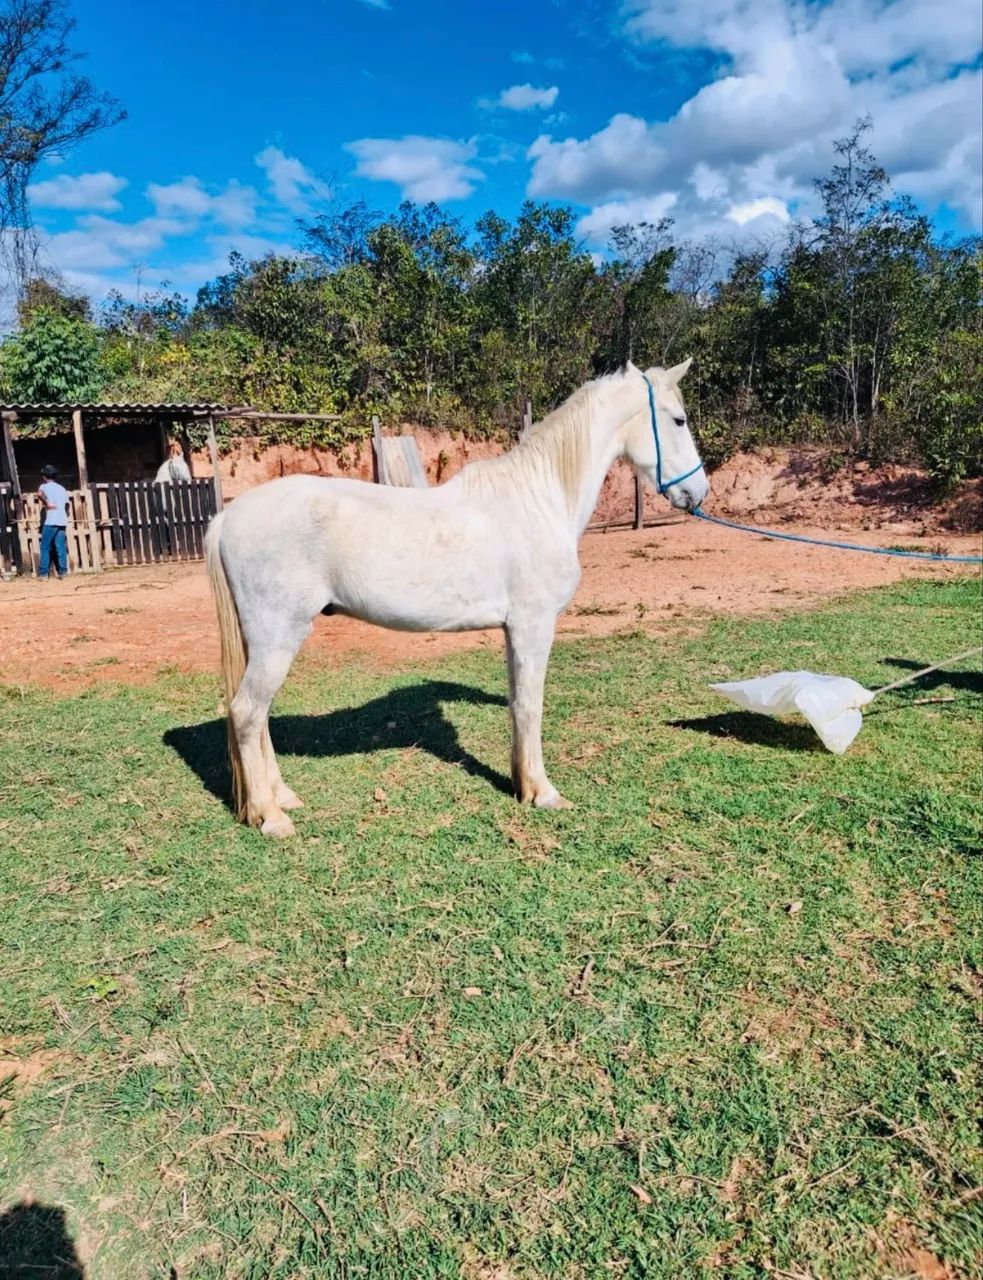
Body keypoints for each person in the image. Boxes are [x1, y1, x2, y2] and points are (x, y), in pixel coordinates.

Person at [37, 464, 69, 580]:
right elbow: (66, 505)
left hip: (51, 520)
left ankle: (44, 573)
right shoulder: (62, 488)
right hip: (62, 519)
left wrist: (46, 504)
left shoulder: (44, 486)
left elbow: (39, 494)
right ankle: (63, 572)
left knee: (44, 547)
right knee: (60, 547)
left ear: (44, 477)